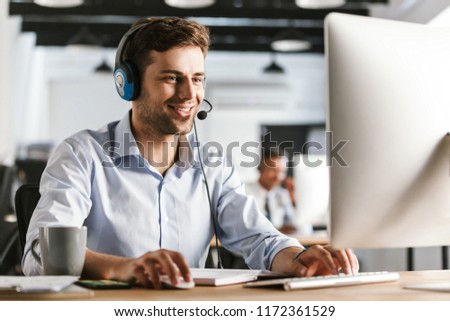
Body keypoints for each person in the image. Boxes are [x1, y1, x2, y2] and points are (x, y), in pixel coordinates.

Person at [22, 17, 358, 288]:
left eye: (197, 79)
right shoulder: (82, 155)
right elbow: (40, 256)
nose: (189, 94)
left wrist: (300, 258)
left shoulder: (211, 165)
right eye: (172, 78)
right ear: (129, 84)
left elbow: (258, 238)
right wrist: (125, 268)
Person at [245, 148, 312, 235]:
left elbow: (305, 231)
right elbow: (243, 229)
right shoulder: (244, 192)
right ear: (261, 168)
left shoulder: (283, 194)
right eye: (273, 170)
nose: (278, 177)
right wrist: (278, 231)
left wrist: (294, 199)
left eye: (282, 172)